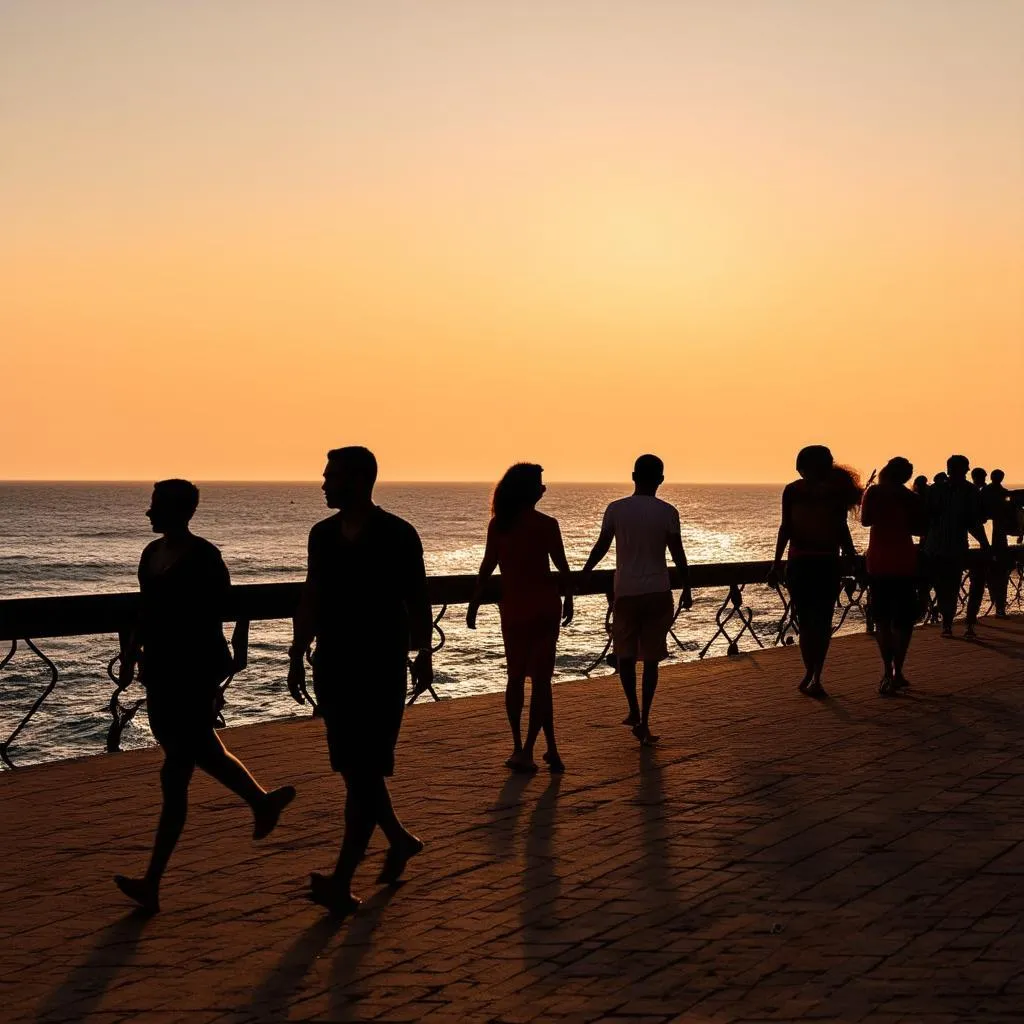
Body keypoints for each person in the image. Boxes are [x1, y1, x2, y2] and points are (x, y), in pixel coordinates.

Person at [114, 480, 295, 914]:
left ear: (179, 511)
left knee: (175, 771)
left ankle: (152, 882)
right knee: (202, 751)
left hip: (192, 670)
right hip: (159, 668)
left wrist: (227, 663)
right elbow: (145, 608)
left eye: (155, 505)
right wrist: (131, 652)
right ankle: (262, 802)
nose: (148, 513)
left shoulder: (204, 557)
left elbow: (221, 610)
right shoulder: (150, 555)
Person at [288, 446, 433, 917]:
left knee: (364, 772)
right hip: (333, 665)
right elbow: (312, 593)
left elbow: (418, 597)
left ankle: (342, 880)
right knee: (356, 770)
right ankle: (399, 839)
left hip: (380, 665)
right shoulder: (322, 536)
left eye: (332, 476)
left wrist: (423, 654)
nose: (324, 483)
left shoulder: (398, 534)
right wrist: (296, 652)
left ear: (359, 480)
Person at [466, 464, 573, 773]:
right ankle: (537, 749)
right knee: (542, 681)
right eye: (540, 484)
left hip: (514, 609)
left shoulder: (499, 525)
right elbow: (563, 568)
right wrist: (568, 599)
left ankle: (519, 747)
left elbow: (487, 566)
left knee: (515, 678)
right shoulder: (548, 525)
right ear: (529, 490)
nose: (544, 489)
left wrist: (474, 603)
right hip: (545, 607)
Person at [581, 454, 692, 746]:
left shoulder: (616, 509)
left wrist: (585, 573)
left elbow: (602, 546)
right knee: (652, 660)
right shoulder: (668, 512)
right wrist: (688, 587)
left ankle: (632, 708)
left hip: (626, 592)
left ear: (633, 476)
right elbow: (678, 555)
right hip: (658, 591)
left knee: (626, 656)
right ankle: (645, 718)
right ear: (661, 479)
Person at [769, 446, 862, 698]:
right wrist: (851, 557)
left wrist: (776, 563)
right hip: (826, 563)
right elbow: (842, 529)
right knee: (820, 621)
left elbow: (785, 528)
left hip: (802, 563)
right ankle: (815, 674)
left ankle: (812, 672)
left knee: (808, 621)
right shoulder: (834, 493)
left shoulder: (794, 490)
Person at [861, 458, 925, 696]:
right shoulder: (912, 498)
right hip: (905, 561)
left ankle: (887, 671)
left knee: (882, 620)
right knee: (904, 622)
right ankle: (898, 671)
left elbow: (865, 520)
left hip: (878, 562)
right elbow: (920, 529)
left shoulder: (874, 492)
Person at [921, 455, 991, 639]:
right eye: (965, 468)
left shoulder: (935, 490)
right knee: (950, 585)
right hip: (952, 547)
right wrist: (985, 544)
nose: (968, 471)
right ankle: (961, 624)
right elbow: (974, 523)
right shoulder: (969, 491)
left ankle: (948, 623)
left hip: (936, 547)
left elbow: (925, 520)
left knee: (943, 587)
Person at [983, 469, 1014, 616]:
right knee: (999, 575)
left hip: (994, 539)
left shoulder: (985, 493)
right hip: (996, 539)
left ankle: (999, 606)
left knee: (994, 575)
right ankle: (999, 606)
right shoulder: (1001, 494)